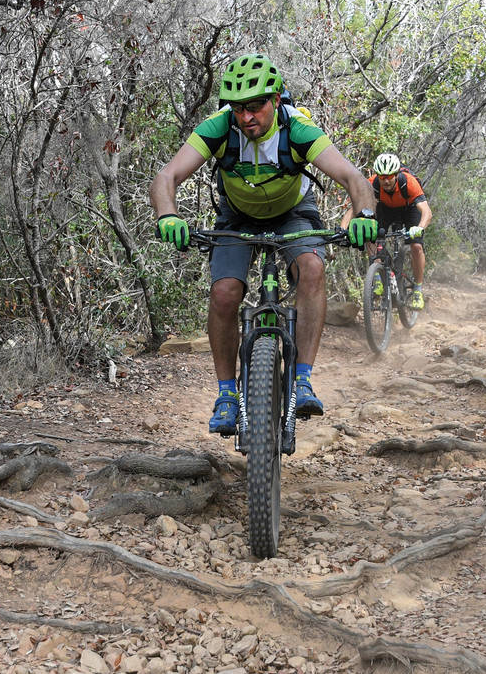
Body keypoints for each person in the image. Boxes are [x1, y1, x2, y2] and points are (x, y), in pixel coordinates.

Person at [150, 53, 377, 436]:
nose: (246, 117)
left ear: (275, 101)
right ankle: (226, 394)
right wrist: (168, 215)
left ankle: (302, 377)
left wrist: (365, 217)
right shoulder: (219, 128)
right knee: (224, 292)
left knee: (312, 269)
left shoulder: (298, 129)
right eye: (238, 109)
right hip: (237, 217)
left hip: (293, 213)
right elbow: (166, 176)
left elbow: (354, 178)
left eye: (255, 107)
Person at [340, 152, 432, 310]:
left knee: (416, 246)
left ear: (396, 174)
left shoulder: (408, 183)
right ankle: (376, 275)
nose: (386, 180)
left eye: (390, 176)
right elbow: (354, 208)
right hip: (386, 209)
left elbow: (426, 212)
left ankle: (417, 289)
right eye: (382, 177)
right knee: (369, 231)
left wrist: (419, 228)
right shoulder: (372, 184)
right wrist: (342, 230)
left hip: (409, 209)